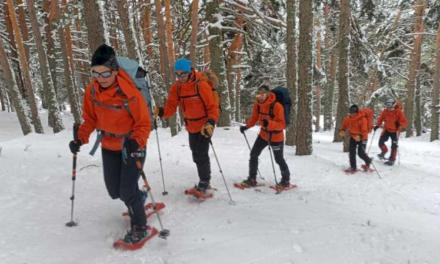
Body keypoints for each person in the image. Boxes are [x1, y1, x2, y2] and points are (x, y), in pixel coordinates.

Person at [68, 44, 152, 244]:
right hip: (108, 145)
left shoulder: (129, 92)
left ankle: (140, 226)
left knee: (126, 190)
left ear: (115, 70)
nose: (100, 78)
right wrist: (80, 138)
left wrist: (136, 141)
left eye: (105, 73)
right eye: (95, 73)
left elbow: (143, 123)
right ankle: (138, 198)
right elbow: (89, 119)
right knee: (114, 191)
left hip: (131, 145)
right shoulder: (92, 91)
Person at [154, 58, 219, 196]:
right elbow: (171, 106)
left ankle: (204, 183)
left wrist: (211, 123)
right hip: (191, 126)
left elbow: (212, 107)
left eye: (183, 74)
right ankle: (204, 180)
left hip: (204, 125)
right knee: (195, 153)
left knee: (201, 154)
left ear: (190, 72)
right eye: (177, 74)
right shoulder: (177, 87)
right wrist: (161, 112)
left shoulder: (201, 85)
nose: (180, 77)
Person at [239, 85, 291, 188]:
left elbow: (282, 124)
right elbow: (254, 118)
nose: (260, 96)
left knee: (279, 159)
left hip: (276, 137)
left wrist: (270, 124)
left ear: (268, 94)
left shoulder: (276, 106)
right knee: (254, 154)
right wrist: (247, 126)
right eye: (259, 94)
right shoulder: (258, 105)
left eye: (263, 94)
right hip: (263, 135)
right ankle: (252, 178)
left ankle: (285, 181)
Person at [374, 98, 408, 166]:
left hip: (395, 131)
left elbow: (404, 122)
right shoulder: (385, 111)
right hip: (386, 129)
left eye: (389, 105)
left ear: (393, 105)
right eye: (387, 105)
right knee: (380, 143)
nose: (388, 107)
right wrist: (377, 125)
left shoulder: (398, 112)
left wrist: (400, 126)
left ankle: (392, 159)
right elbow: (380, 118)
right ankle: (384, 151)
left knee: (394, 146)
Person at [339, 104, 372, 173]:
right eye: (350, 113)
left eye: (353, 113)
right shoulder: (348, 119)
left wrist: (362, 139)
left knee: (361, 153)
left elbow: (365, 131)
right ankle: (353, 167)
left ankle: (368, 161)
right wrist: (342, 131)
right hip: (353, 137)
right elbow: (343, 127)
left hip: (362, 138)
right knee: (351, 152)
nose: (352, 114)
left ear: (356, 112)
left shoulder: (362, 119)